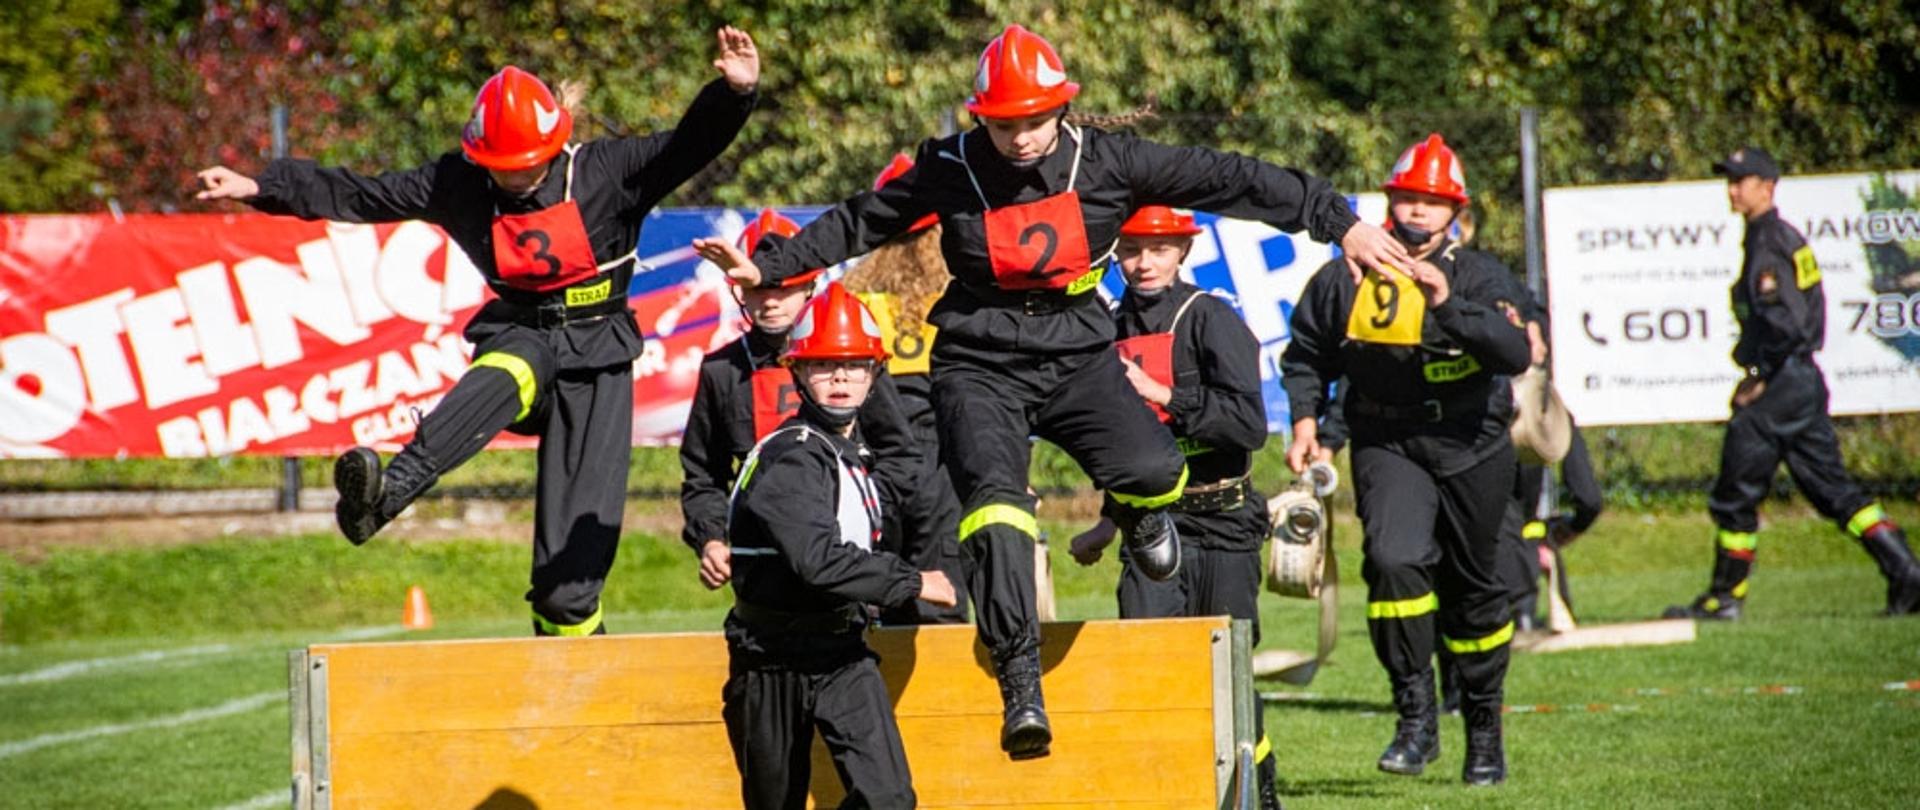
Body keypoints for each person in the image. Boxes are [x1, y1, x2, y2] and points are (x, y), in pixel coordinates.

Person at [694, 23, 1410, 759]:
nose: (1022, 138)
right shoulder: (952, 166)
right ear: (981, 117)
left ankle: (1145, 515)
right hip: (978, 362)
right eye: (1004, 124)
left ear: (1063, 110)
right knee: (996, 513)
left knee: (1158, 471)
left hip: (1077, 353)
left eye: (1035, 121)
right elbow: (860, 220)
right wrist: (772, 267)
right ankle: (1020, 683)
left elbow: (1231, 177)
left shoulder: (1112, 161)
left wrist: (1337, 222)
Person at [195, 29, 761, 636]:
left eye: (525, 166)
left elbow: (688, 145)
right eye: (498, 168)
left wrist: (734, 92)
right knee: (515, 365)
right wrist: (263, 187)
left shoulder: (607, 172)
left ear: (555, 146)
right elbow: (363, 195)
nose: (513, 180)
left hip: (598, 362)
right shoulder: (458, 182)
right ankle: (384, 499)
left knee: (567, 591)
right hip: (523, 338)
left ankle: (572, 667)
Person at [1281, 133, 1531, 786]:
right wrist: (1308, 416)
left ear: (1455, 213)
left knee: (1478, 592)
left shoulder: (1481, 276)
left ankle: (1484, 732)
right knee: (1393, 562)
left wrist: (1447, 302)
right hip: (1387, 443)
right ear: (1389, 203)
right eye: (1407, 200)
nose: (1417, 213)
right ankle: (1415, 718)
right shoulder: (1345, 274)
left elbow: (1515, 353)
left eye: (1432, 202)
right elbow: (1307, 353)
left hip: (1473, 444)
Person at [1063, 205, 1281, 809]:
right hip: (1151, 522)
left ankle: (1258, 798)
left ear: (1183, 252)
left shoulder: (1210, 317)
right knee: (1150, 663)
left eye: (1159, 249)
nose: (1143, 262)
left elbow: (1248, 426)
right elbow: (1120, 443)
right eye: (1132, 249)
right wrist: (1108, 524)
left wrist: (1165, 395)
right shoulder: (1103, 328)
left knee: (1230, 679)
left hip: (1224, 521)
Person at [721, 281, 959, 810]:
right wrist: (915, 581)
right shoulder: (793, 457)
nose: (840, 378)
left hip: (842, 653)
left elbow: (905, 465)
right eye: (825, 365)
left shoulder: (851, 454)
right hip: (770, 659)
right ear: (799, 373)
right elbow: (818, 562)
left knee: (890, 800)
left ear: (874, 376)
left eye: (855, 366)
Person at [1664, 147, 1920, 620]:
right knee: (1833, 492)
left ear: (1768, 186)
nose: (1733, 190)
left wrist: (1758, 374)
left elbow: (1786, 324)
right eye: (1730, 181)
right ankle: (1906, 572)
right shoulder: (1777, 238)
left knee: (1735, 491)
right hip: (1800, 381)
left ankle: (1726, 597)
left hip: (1781, 384)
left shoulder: (1769, 244)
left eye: (1742, 180)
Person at [679, 208, 946, 616]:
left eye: (782, 287)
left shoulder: (852, 355)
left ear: (811, 286)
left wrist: (866, 515)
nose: (769, 302)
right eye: (757, 289)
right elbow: (703, 474)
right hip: (769, 564)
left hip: (861, 562)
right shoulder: (722, 372)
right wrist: (712, 539)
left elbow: (900, 457)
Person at [842, 154, 974, 625]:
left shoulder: (855, 298)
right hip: (942, 459)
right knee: (940, 591)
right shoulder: (957, 294)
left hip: (874, 458)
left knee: (878, 591)